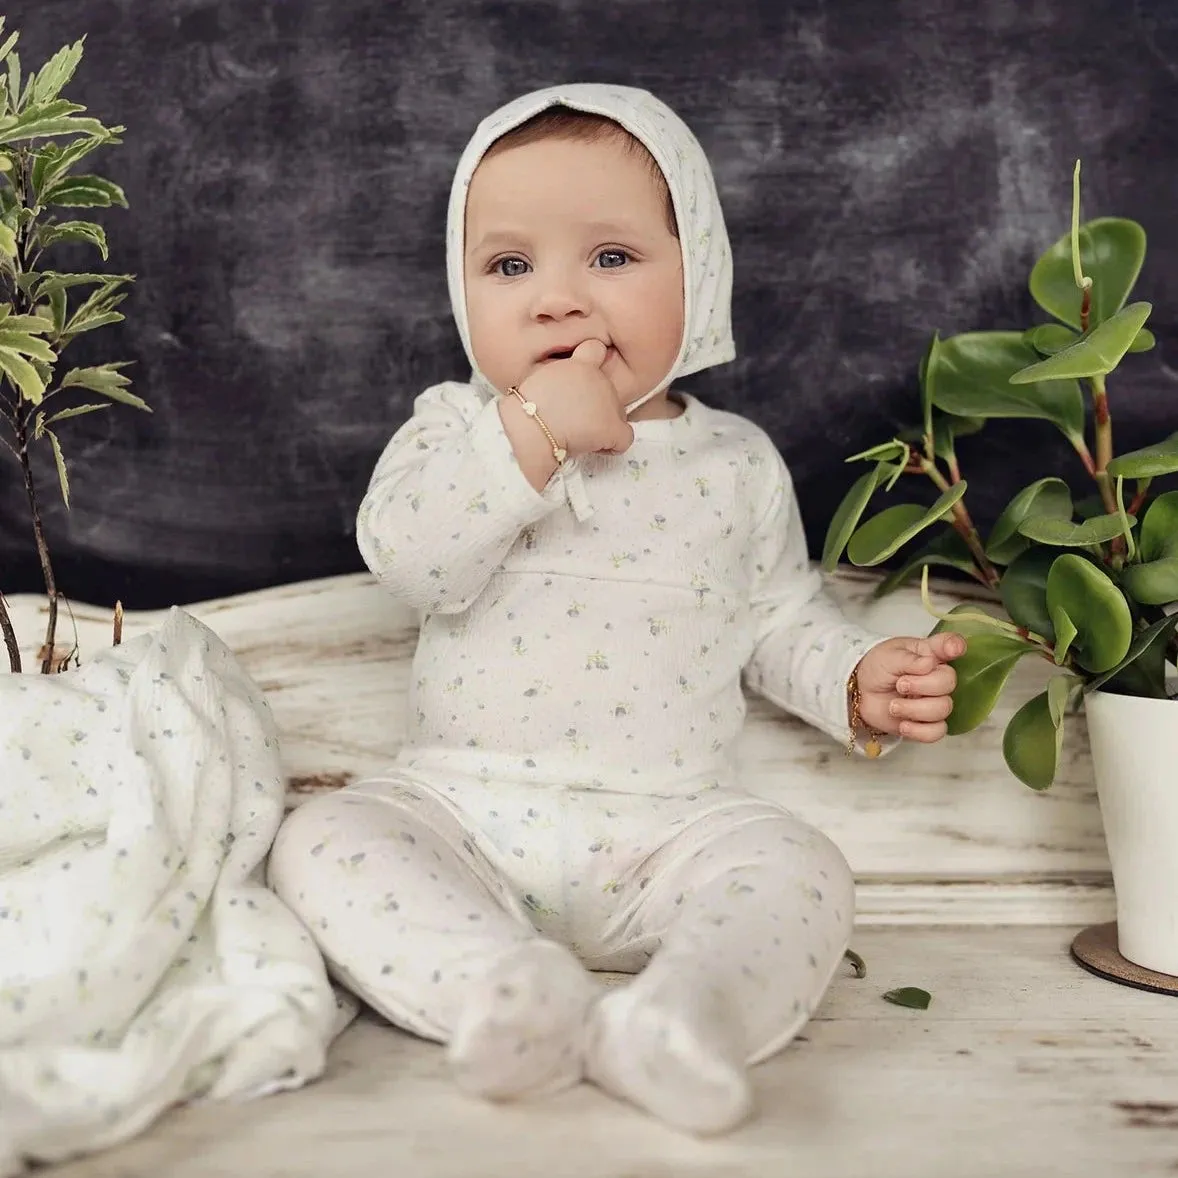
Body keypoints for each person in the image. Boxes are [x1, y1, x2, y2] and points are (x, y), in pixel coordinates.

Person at [268, 83, 965, 1136]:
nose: (556, 299)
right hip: (461, 810)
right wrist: (531, 432)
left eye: (609, 258)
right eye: (510, 266)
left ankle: (681, 1015)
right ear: (465, 295)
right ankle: (506, 992)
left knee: (796, 865)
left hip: (672, 826)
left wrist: (855, 679)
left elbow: (775, 620)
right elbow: (411, 561)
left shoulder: (733, 461)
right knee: (325, 832)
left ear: (701, 276)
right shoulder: (452, 429)